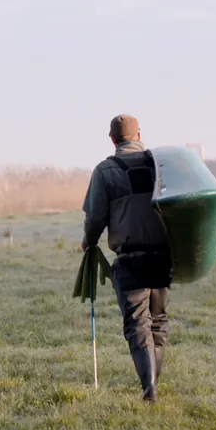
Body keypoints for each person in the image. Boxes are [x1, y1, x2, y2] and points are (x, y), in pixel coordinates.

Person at [81, 114, 173, 401]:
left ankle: (150, 387)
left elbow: (95, 217)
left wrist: (89, 242)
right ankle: (153, 384)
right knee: (158, 321)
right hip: (163, 257)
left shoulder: (105, 171)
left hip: (130, 258)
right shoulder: (160, 165)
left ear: (112, 139)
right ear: (139, 135)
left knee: (137, 323)